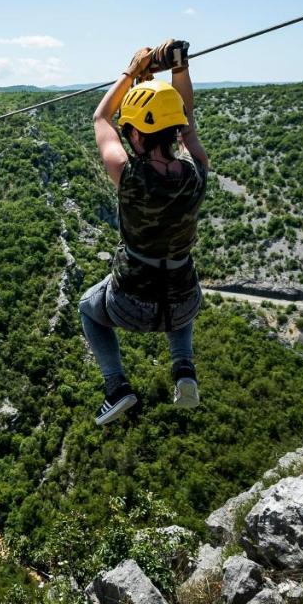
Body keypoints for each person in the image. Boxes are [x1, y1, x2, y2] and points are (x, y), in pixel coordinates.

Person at [79, 39, 210, 425]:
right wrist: (179, 70)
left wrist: (130, 72)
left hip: (130, 303)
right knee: (182, 285)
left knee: (89, 308)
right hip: (183, 301)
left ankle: (116, 386)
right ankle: (183, 367)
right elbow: (188, 125)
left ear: (135, 136)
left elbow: (101, 120)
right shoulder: (196, 172)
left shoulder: (130, 177)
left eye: (130, 131)